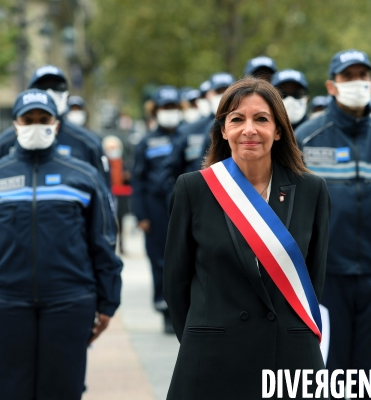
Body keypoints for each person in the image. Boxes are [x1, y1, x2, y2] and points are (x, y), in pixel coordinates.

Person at [0, 89, 122, 400]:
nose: (36, 125)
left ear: (56, 123)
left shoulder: (84, 177)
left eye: (44, 119)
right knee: (8, 391)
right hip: (3, 303)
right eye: (28, 119)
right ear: (15, 124)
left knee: (63, 390)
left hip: (69, 302)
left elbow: (104, 242)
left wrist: (108, 301)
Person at [164, 77, 330, 400]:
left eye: (262, 119)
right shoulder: (193, 189)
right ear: (223, 130)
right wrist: (209, 334)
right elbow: (175, 284)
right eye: (237, 119)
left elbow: (313, 279)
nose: (249, 130)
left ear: (279, 130)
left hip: (288, 358)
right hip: (214, 358)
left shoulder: (312, 191)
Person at [295, 49, 371, 386]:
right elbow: (288, 214)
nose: (356, 83)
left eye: (362, 76)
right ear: (332, 86)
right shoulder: (305, 139)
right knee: (327, 376)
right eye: (347, 77)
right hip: (324, 280)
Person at [0, 65, 110, 186]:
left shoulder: (88, 143)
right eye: (42, 87)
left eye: (57, 87)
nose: (50, 92)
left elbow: (102, 190)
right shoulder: (4, 143)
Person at [132, 85, 182, 333]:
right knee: (160, 261)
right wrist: (140, 215)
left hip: (183, 207)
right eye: (165, 108)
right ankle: (164, 309)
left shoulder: (187, 135)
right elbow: (138, 179)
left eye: (173, 107)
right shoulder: (146, 142)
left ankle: (182, 308)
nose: (169, 112)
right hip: (155, 210)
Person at [168, 72, 235, 175]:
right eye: (218, 91)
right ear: (209, 95)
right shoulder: (188, 131)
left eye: (227, 91)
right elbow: (173, 170)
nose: (223, 96)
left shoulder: (245, 128)